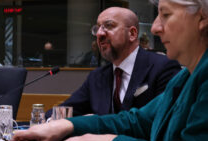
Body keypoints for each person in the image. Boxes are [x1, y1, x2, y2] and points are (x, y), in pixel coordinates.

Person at [13, 0, 208, 141]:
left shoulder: (183, 73)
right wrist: (66, 125)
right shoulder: (185, 78)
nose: (156, 28)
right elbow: (137, 121)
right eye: (97, 28)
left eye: (166, 14)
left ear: (202, 17)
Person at [45, 7, 181, 118]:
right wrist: (48, 121)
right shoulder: (97, 77)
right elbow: (65, 110)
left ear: (132, 34)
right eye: (97, 28)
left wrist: (93, 123)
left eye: (108, 26)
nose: (99, 34)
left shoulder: (163, 67)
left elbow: (160, 121)